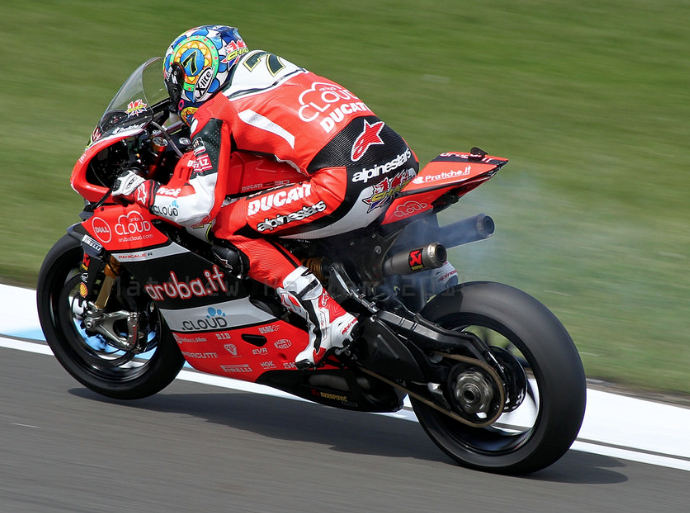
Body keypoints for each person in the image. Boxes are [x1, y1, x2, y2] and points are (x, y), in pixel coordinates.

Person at [111, 25, 419, 368]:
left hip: (347, 184)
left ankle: (327, 316)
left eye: (177, 84)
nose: (176, 96)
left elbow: (198, 207)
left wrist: (142, 190)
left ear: (194, 75)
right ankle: (438, 280)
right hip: (400, 162)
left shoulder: (214, 110)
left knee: (227, 224)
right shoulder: (274, 70)